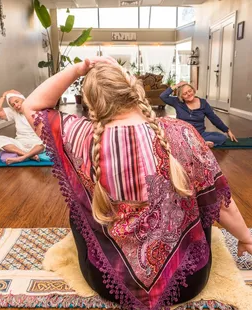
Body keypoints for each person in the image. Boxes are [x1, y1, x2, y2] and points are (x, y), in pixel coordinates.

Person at [22, 57, 252, 310]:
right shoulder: (182, 131)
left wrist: (78, 68)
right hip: (188, 280)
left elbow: (32, 105)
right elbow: (220, 203)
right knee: (202, 197)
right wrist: (245, 238)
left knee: (79, 208)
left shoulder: (77, 134)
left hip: (108, 282)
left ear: (90, 102)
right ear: (135, 89)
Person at [160, 82, 237, 148]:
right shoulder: (177, 102)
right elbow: (163, 96)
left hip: (199, 134)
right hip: (183, 134)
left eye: (189, 91)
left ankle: (197, 143)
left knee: (222, 137)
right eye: (185, 94)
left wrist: (227, 130)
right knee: (172, 138)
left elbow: (214, 118)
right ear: (181, 97)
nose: (188, 94)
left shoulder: (203, 103)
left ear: (193, 90)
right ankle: (200, 144)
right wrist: (176, 86)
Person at [0, 90, 45, 165]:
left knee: (46, 141)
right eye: (13, 105)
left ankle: (22, 158)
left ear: (24, 99)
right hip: (20, 145)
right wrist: (3, 96)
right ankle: (27, 155)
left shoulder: (37, 108)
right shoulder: (13, 112)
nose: (16, 105)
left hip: (37, 144)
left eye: (17, 101)